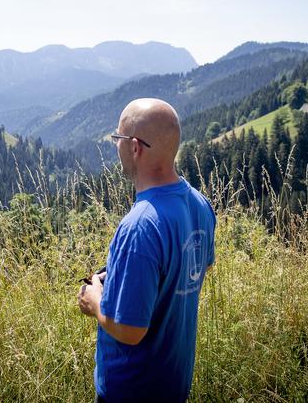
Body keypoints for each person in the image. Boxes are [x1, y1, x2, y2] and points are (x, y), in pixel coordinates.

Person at [77, 98, 216, 402]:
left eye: (118, 138)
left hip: (133, 389)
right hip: (173, 381)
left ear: (135, 147)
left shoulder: (139, 226)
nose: (117, 146)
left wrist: (95, 300)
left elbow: (130, 330)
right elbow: (194, 271)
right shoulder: (200, 204)